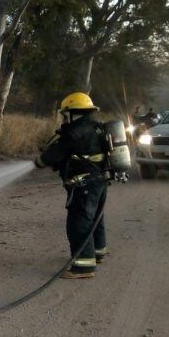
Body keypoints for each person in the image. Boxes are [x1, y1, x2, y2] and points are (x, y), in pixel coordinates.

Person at [34, 92, 109, 279]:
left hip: (83, 185)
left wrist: (39, 161)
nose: (65, 118)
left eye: (66, 114)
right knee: (95, 218)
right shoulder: (98, 128)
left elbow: (52, 156)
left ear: (75, 113)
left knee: (78, 223)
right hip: (100, 181)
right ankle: (98, 252)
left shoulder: (74, 132)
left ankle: (83, 267)